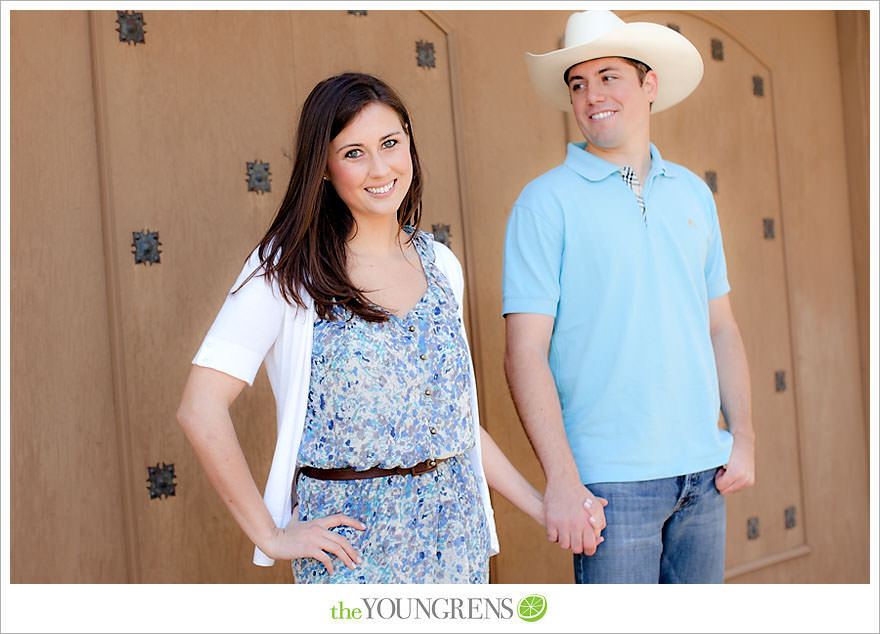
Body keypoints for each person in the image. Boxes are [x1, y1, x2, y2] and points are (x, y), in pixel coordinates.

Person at [177, 73, 551, 584]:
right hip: (350, 551)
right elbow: (200, 407)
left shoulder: (440, 264)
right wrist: (270, 534)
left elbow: (454, 423)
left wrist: (540, 505)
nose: (380, 168)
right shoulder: (287, 270)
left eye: (391, 143)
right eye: (353, 152)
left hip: (455, 538)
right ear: (324, 167)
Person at [502, 10, 755, 583]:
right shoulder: (544, 203)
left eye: (609, 76)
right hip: (611, 486)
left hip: (704, 473)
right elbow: (524, 353)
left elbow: (721, 327)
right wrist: (563, 479)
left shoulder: (694, 193)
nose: (592, 96)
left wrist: (743, 436)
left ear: (649, 86)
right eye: (578, 83)